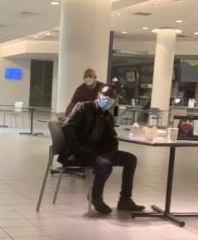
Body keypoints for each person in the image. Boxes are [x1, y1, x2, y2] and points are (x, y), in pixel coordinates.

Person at [61, 84, 145, 214]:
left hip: (97, 153)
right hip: (78, 154)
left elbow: (111, 138)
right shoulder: (83, 107)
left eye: (112, 97)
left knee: (130, 159)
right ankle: (95, 196)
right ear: (98, 95)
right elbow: (67, 127)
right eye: (105, 95)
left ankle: (125, 200)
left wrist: (110, 151)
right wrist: (79, 149)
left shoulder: (107, 116)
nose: (108, 99)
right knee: (105, 165)